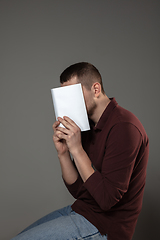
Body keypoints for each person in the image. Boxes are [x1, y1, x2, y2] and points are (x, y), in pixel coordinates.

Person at [11, 62, 149, 240]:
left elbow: (107, 199)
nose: (68, 103)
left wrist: (76, 149)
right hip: (82, 211)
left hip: (106, 226)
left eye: (73, 95)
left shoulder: (124, 127)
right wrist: (63, 153)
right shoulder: (86, 126)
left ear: (96, 89)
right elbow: (80, 191)